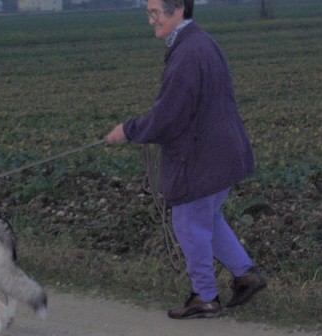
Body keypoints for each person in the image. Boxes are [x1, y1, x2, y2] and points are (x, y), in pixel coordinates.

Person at [105, 0, 266, 319]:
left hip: (202, 156)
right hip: (222, 151)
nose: (151, 20)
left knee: (189, 223)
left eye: (155, 13)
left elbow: (168, 116)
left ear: (178, 9)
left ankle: (205, 297)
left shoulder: (187, 53)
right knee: (207, 218)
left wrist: (129, 129)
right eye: (148, 13)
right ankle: (246, 275)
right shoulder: (201, 42)